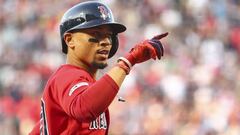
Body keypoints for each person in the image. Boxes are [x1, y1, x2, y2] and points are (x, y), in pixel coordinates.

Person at [29, 1, 168, 135]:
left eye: (108, 36)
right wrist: (128, 62)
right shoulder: (65, 76)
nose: (106, 42)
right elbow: (84, 108)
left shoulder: (90, 87)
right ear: (69, 40)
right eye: (96, 34)